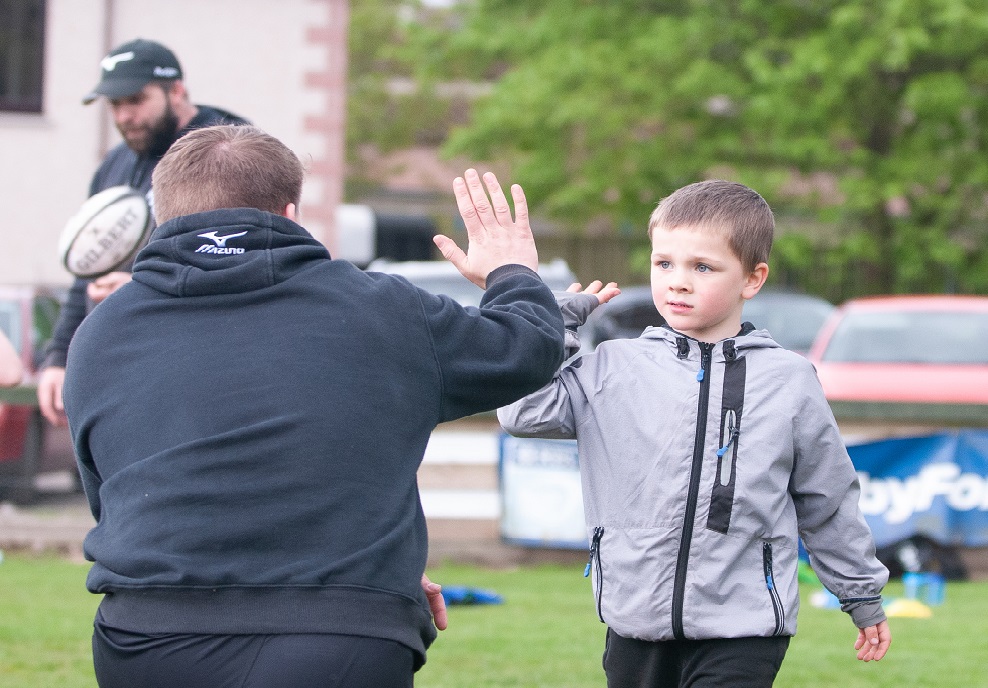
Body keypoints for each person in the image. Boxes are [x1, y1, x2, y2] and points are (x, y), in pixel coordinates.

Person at [61, 124, 565, 688]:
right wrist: (511, 270)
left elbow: (114, 498)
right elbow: (526, 349)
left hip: (147, 640)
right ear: (291, 212)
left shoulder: (100, 334)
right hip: (341, 639)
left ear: (162, 217)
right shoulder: (383, 312)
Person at [498, 180, 891, 687]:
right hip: (634, 617)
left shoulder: (789, 381)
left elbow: (827, 497)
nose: (678, 281)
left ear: (752, 279)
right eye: (664, 264)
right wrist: (554, 323)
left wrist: (860, 594)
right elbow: (522, 412)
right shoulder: (611, 367)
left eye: (702, 267)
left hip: (745, 625)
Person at [37, 38, 248, 425]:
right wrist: (60, 356)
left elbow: (241, 261)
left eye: (135, 100)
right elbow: (85, 268)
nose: (123, 116)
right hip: (121, 364)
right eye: (114, 105)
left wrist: (146, 287)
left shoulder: (228, 151)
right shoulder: (115, 164)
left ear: (177, 91)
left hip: (199, 372)